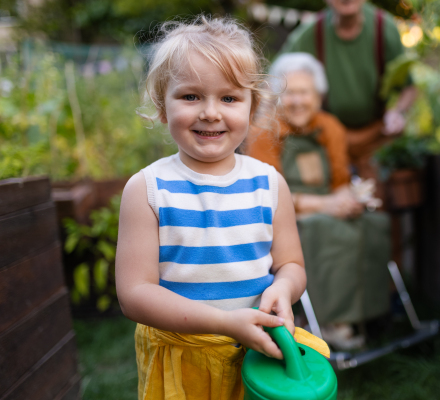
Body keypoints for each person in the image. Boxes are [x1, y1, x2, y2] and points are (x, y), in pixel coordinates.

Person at [115, 17, 326, 400]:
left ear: (252, 107)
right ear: (163, 106)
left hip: (255, 354)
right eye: (190, 96)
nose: (210, 112)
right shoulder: (146, 190)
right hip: (183, 362)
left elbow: (291, 265)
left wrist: (283, 288)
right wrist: (225, 322)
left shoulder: (269, 184)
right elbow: (134, 293)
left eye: (229, 98)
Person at [247, 53, 391, 350]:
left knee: (374, 223)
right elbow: (268, 194)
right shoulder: (264, 131)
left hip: (327, 207)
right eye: (290, 93)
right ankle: (330, 320)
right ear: (277, 97)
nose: (297, 101)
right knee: (327, 230)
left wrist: (349, 200)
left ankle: (371, 311)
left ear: (318, 96)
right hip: (284, 216)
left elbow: (339, 180)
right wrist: (325, 205)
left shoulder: (330, 127)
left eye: (305, 93)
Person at [280, 0, 417, 183]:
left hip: (376, 138)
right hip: (326, 140)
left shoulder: (384, 27)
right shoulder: (311, 32)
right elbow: (274, 79)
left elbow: (408, 87)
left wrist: (398, 112)